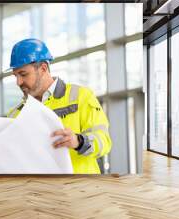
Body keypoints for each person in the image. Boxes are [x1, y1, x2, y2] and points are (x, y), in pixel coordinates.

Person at [7, 38, 111, 174]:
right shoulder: (15, 114)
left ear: (43, 68)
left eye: (23, 74)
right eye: (15, 75)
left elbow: (104, 141)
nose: (18, 82)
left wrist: (79, 141)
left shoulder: (81, 96)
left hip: (81, 190)